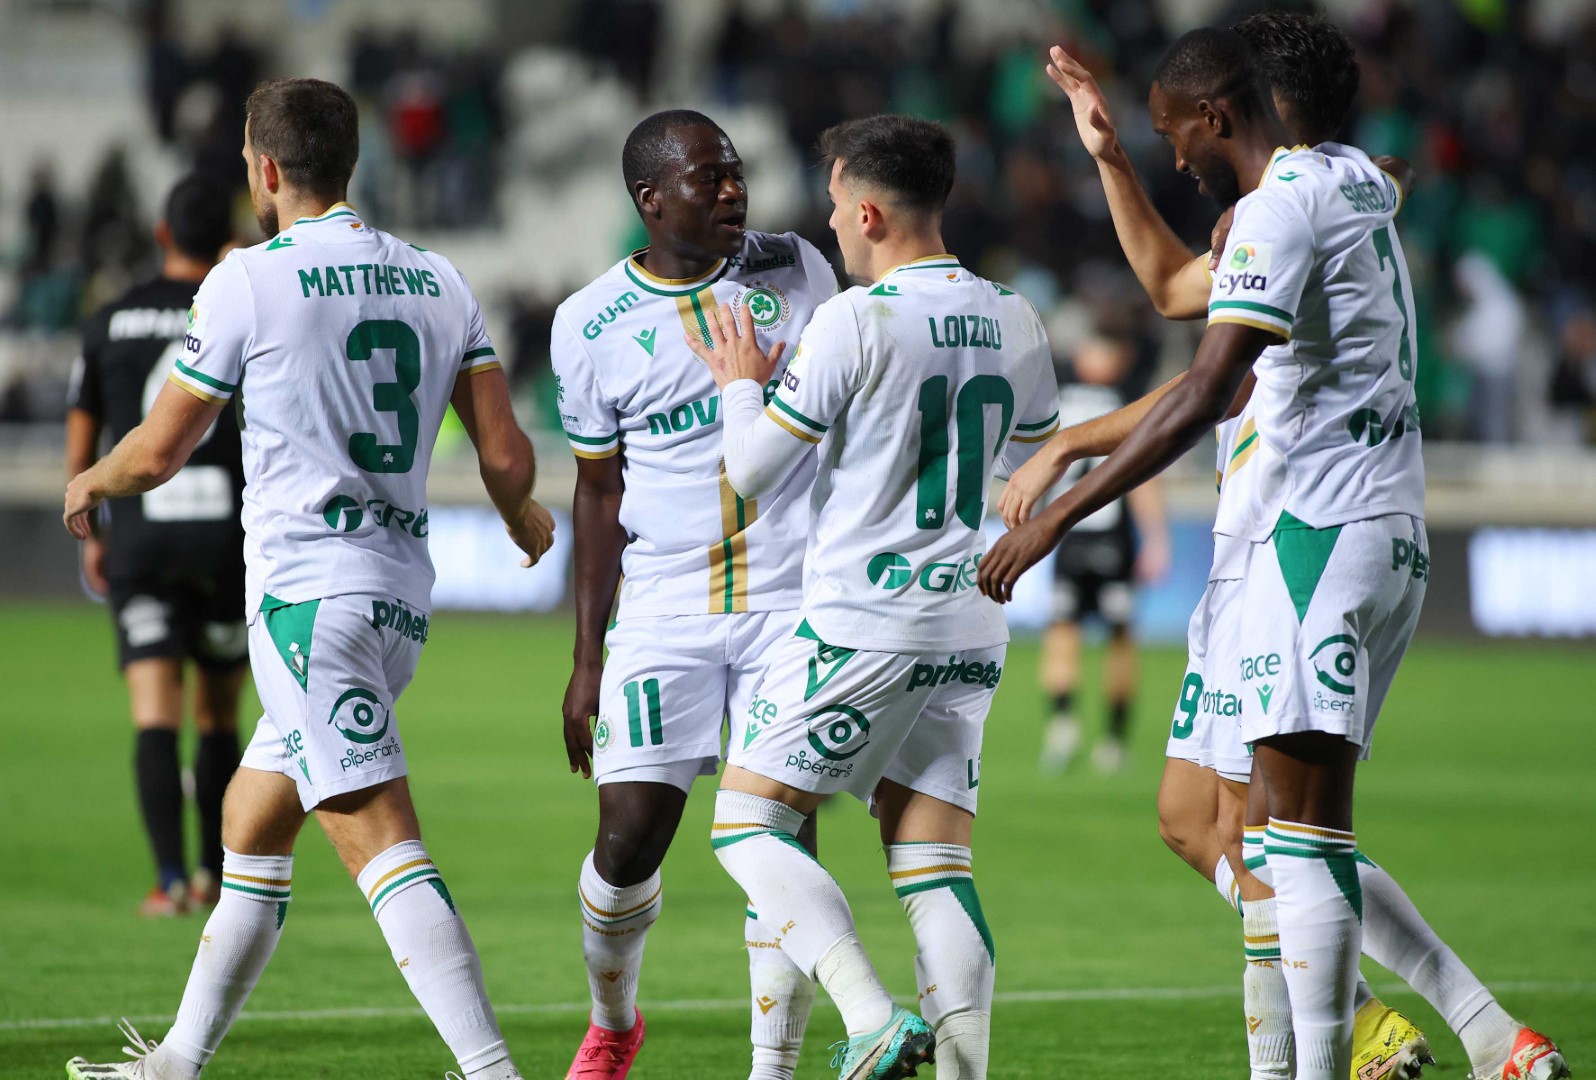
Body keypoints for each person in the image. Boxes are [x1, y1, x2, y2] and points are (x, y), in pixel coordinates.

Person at [980, 28, 1568, 1080]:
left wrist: (1056, 512)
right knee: (1204, 819)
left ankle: (1386, 1042)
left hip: (1310, 536)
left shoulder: (1283, 210)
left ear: (1231, 114)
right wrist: (1108, 156)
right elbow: (1176, 290)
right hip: (1304, 533)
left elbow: (1210, 388)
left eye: (1176, 134)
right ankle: (1479, 1035)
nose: (1175, 156)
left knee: (1290, 842)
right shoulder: (1344, 186)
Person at [62, 77, 553, 1080]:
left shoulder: (249, 279)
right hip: (396, 600)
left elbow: (160, 450)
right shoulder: (439, 279)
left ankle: (493, 1071)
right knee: (249, 820)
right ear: (352, 161)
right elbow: (504, 454)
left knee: (380, 841)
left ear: (267, 169)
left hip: (306, 607)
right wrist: (522, 516)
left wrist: (91, 478)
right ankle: (176, 1061)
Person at [688, 114, 1060, 1080]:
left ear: (867, 212)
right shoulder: (1017, 316)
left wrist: (741, 384)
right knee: (935, 867)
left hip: (865, 619)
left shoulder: (857, 319)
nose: (828, 227)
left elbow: (750, 472)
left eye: (833, 207)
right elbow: (1026, 474)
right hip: (969, 621)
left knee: (747, 825)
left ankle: (869, 1016)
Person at [551, 108, 838, 1080]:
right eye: (708, 178)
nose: (732, 191)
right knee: (626, 843)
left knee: (780, 838)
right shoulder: (589, 322)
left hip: (791, 604)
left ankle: (772, 1069)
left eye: (736, 173)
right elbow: (598, 492)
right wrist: (585, 659)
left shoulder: (798, 270)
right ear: (650, 199)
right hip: (665, 607)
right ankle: (614, 1020)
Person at [66, 174, 247, 917]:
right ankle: (214, 877)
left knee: (155, 713)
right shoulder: (237, 304)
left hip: (142, 539)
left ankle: (168, 880)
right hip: (226, 541)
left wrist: (94, 530)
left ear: (162, 233)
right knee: (219, 716)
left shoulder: (109, 319)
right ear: (226, 237)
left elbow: (84, 427)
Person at [1036, 332, 1170, 775]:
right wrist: (1156, 539)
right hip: (1114, 539)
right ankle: (1113, 741)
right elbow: (1144, 477)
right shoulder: (1126, 403)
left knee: (1062, 632)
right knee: (1120, 638)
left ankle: (1062, 727)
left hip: (1068, 537)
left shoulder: (1058, 404)